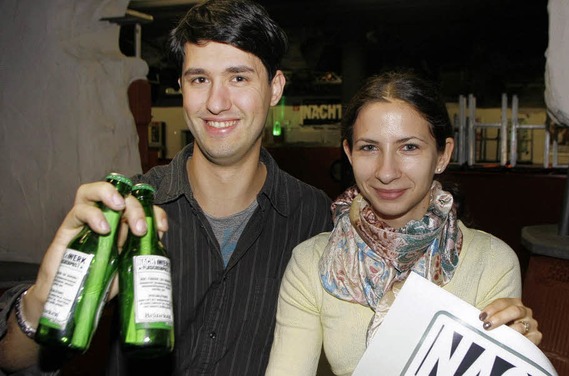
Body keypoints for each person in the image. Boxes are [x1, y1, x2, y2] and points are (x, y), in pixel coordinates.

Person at [0, 1, 333, 375]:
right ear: (181, 87)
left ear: (275, 88)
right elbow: (14, 359)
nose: (216, 102)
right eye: (199, 79)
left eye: (238, 78)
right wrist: (44, 297)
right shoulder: (129, 208)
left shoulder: (312, 214)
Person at [265, 70, 542, 376]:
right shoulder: (313, 264)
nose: (386, 171)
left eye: (409, 147)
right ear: (349, 153)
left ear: (442, 155)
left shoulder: (490, 262)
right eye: (369, 147)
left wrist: (518, 354)